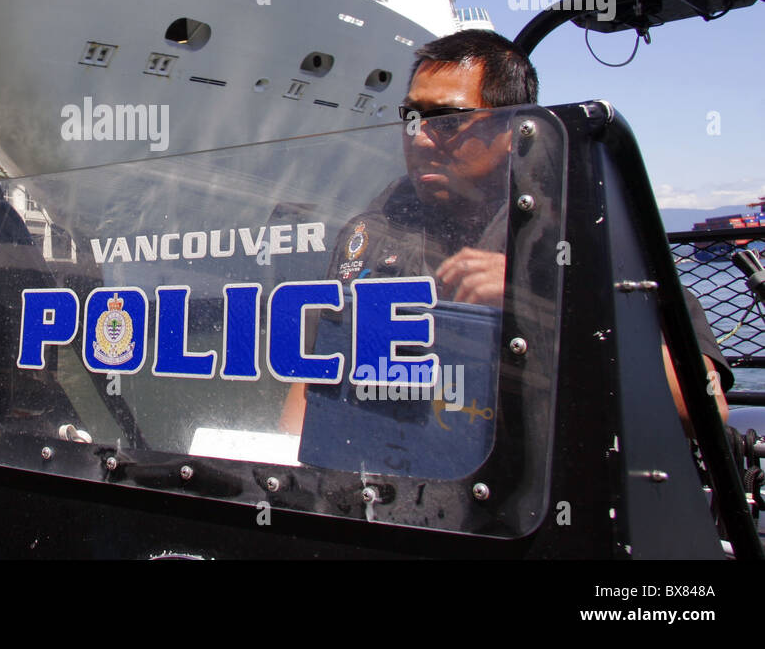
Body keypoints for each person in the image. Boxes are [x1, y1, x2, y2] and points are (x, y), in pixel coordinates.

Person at [279, 29, 730, 437]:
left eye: (449, 120)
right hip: (397, 496)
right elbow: (317, 375)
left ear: (514, 128)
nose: (419, 139)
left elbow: (700, 409)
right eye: (412, 119)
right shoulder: (372, 228)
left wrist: (541, 302)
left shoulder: (584, 224)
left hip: (536, 502)